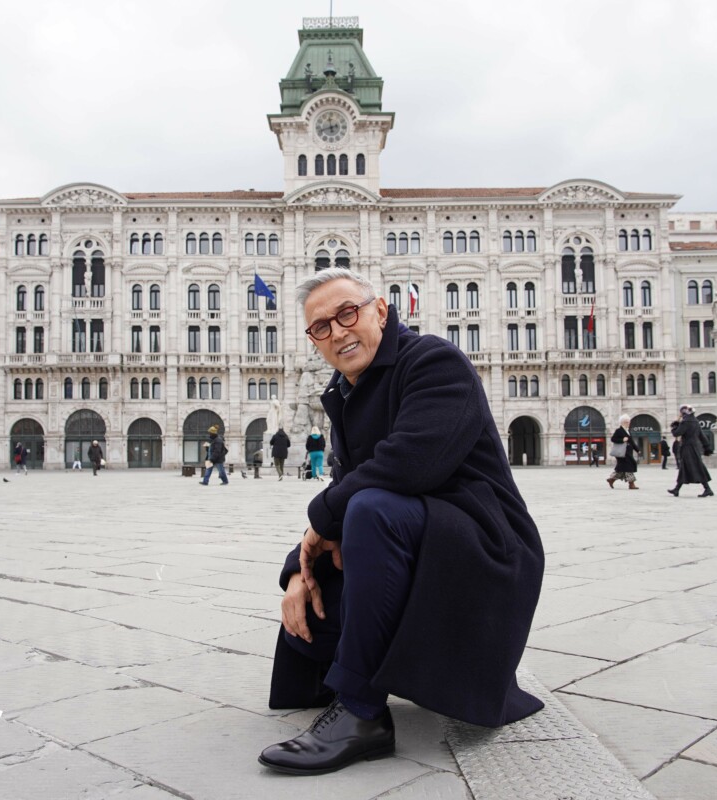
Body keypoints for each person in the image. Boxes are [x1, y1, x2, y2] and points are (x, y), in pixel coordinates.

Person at [258, 268, 545, 776]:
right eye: (321, 327)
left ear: (381, 311)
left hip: (481, 548)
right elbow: (348, 485)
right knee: (308, 630)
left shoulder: (434, 361)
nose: (338, 331)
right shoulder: (347, 392)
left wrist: (318, 523)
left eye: (348, 313)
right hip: (418, 539)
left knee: (370, 510)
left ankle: (362, 713)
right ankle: (357, 668)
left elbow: (410, 463)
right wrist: (297, 571)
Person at [668, 405, 714, 497]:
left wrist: (675, 426)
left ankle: (707, 489)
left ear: (683, 412)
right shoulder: (695, 421)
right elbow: (702, 435)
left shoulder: (685, 422)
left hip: (687, 448)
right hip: (695, 447)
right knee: (686, 468)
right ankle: (677, 489)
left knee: (695, 467)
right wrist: (707, 447)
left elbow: (677, 433)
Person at [606, 414, 640, 490]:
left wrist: (637, 450)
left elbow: (632, 442)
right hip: (622, 453)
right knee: (629, 468)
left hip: (627, 453)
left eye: (629, 422)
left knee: (622, 469)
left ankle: (611, 479)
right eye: (627, 422)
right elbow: (613, 439)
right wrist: (622, 440)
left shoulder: (628, 431)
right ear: (623, 422)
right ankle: (631, 484)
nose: (629, 423)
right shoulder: (619, 431)